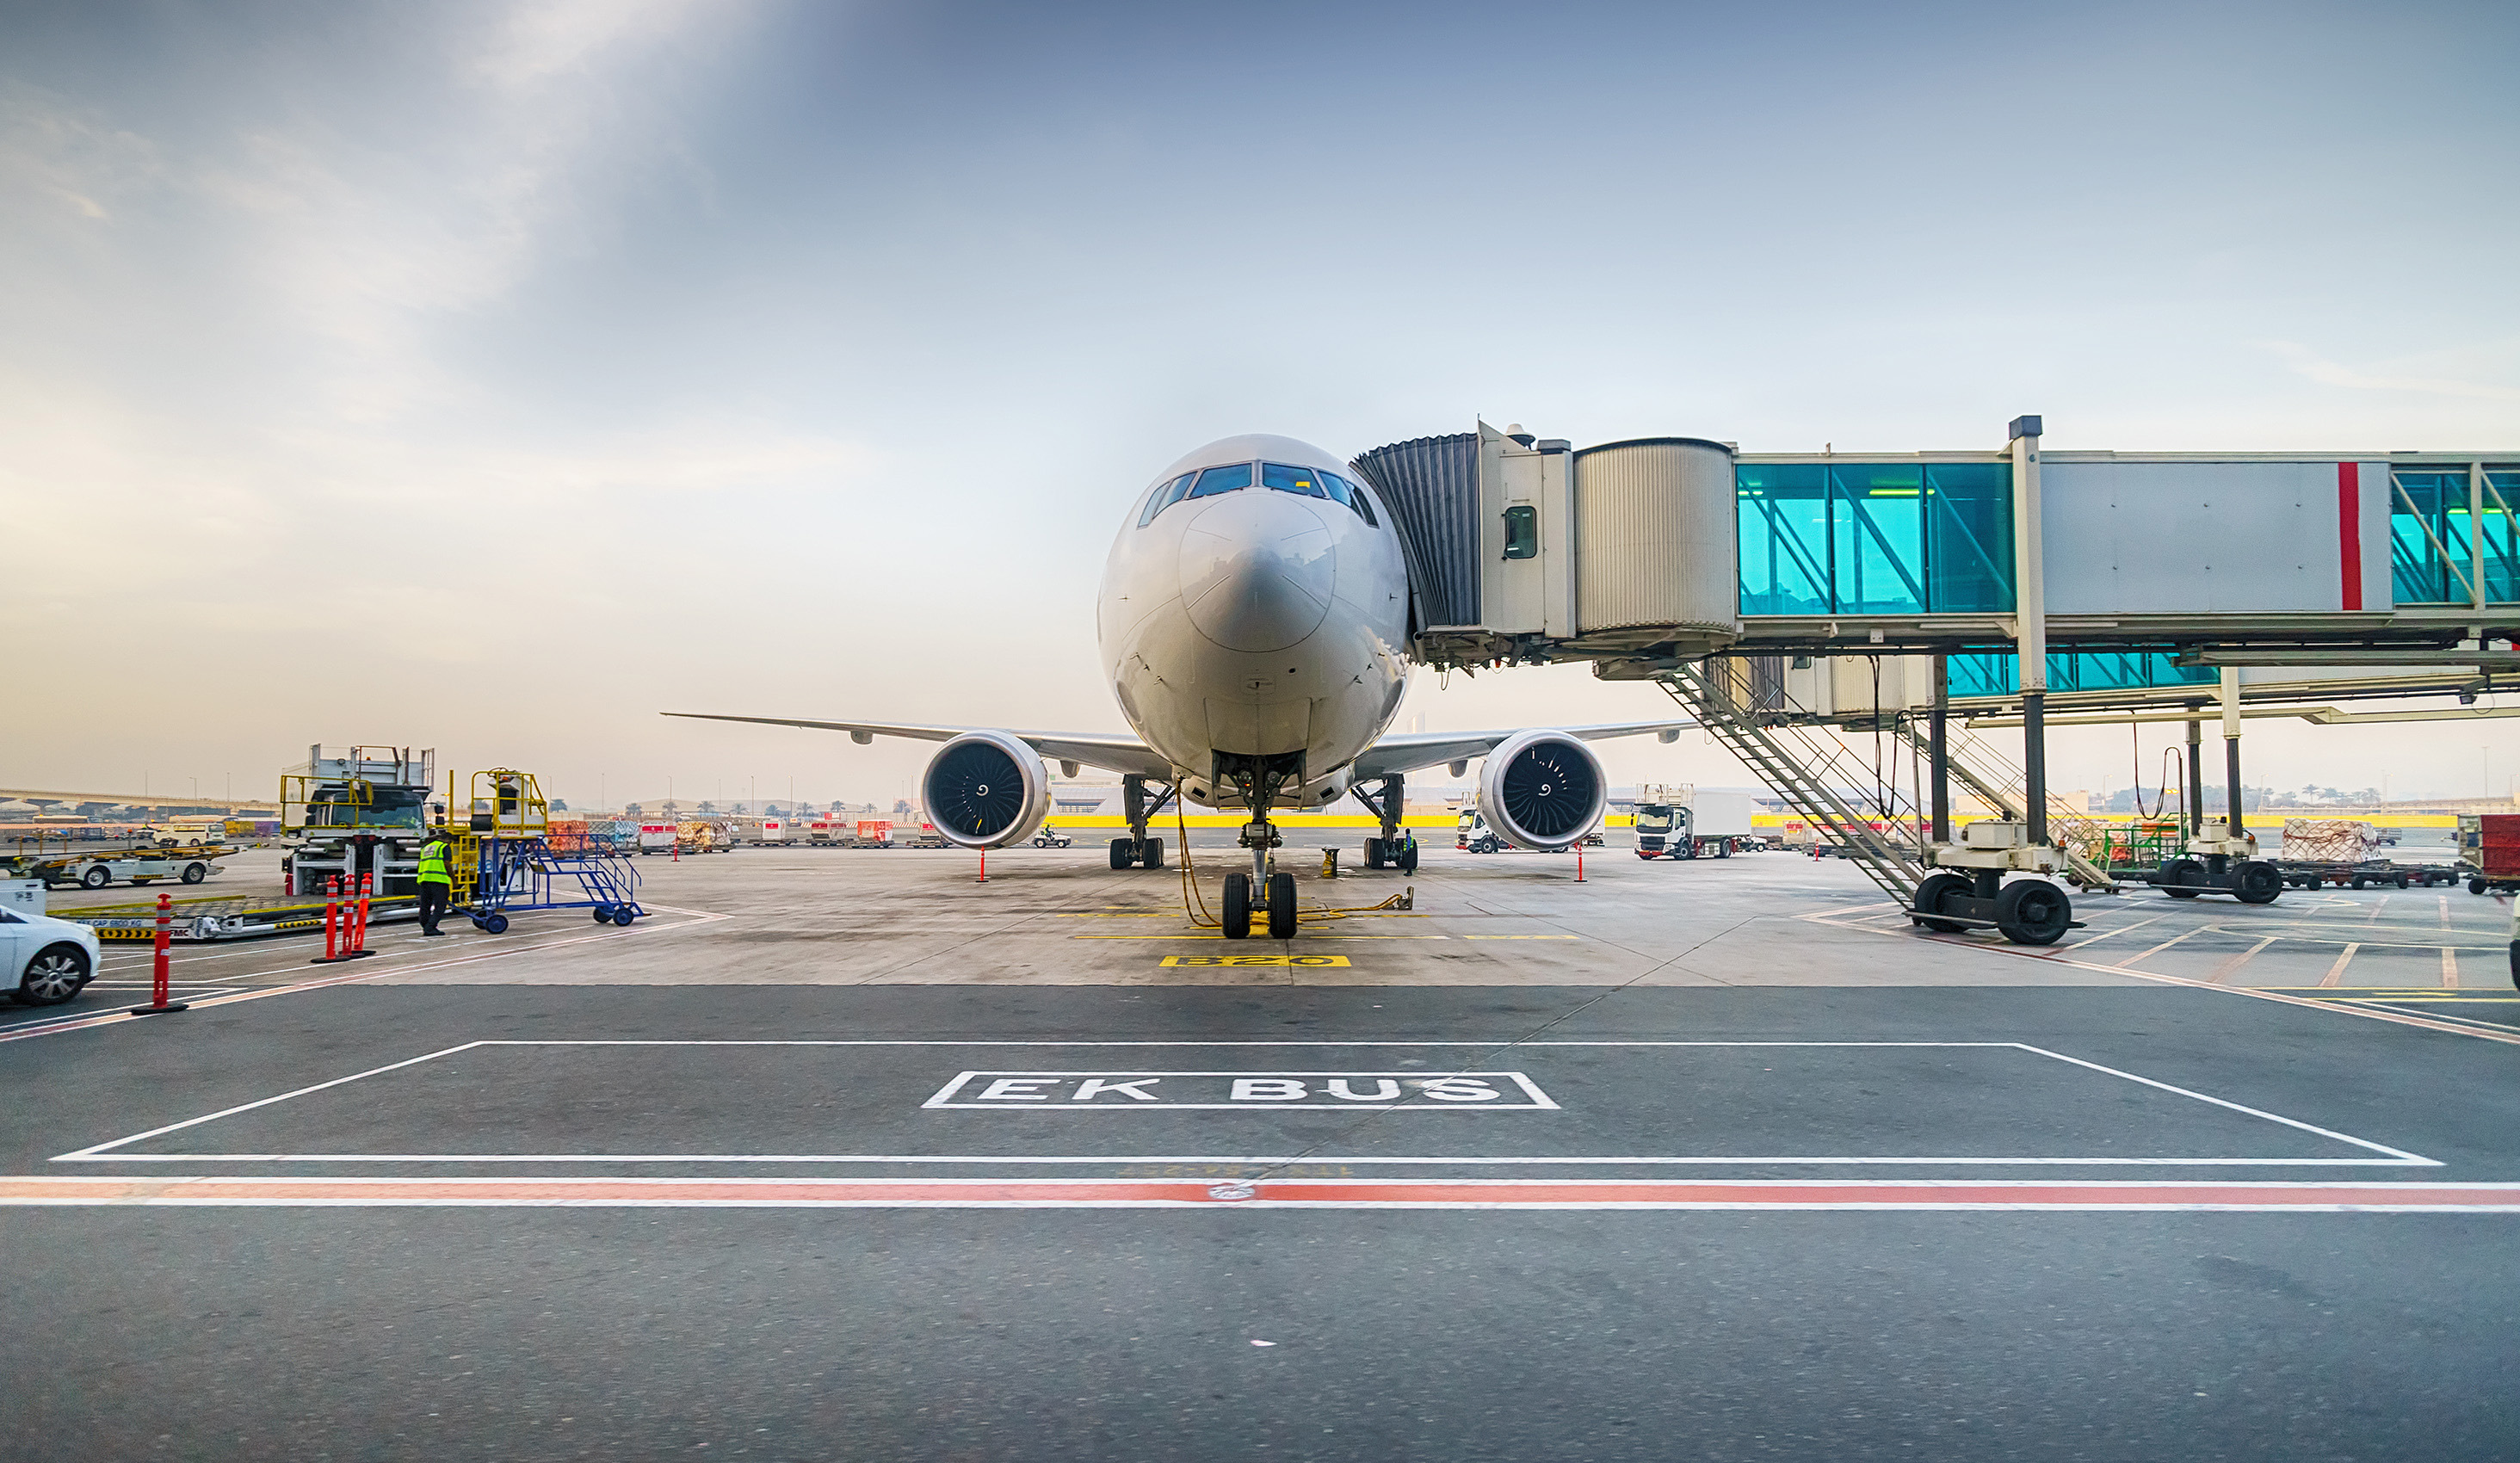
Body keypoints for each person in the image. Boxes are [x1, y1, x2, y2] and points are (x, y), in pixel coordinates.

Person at [416, 831, 454, 936]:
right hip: (439, 880)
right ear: (449, 840)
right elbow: (447, 864)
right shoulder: (444, 847)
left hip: (424, 879)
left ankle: (425, 925)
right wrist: (454, 880)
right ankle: (430, 927)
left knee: (425, 905)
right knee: (441, 905)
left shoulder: (426, 848)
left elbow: (420, 863)